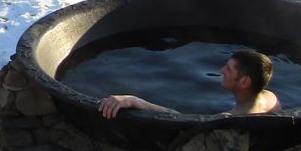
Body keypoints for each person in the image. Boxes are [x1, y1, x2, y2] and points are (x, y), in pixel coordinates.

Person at [98, 49, 281, 119]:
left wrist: (133, 100)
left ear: (244, 81)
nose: (221, 71)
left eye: (229, 69)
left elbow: (180, 119)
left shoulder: (230, 119)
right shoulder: (270, 99)